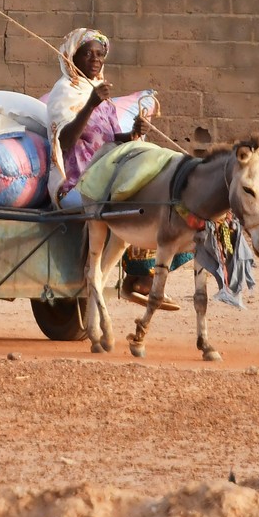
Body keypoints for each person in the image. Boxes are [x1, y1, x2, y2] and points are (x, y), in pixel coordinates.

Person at [43, 27, 178, 310]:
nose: (95, 59)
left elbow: (107, 140)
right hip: (75, 185)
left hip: (104, 178)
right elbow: (65, 142)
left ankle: (142, 276)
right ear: (71, 57)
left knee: (150, 193)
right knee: (128, 200)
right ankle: (136, 277)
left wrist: (130, 135)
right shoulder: (65, 92)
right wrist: (91, 104)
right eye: (87, 53)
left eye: (100, 54)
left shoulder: (98, 92)